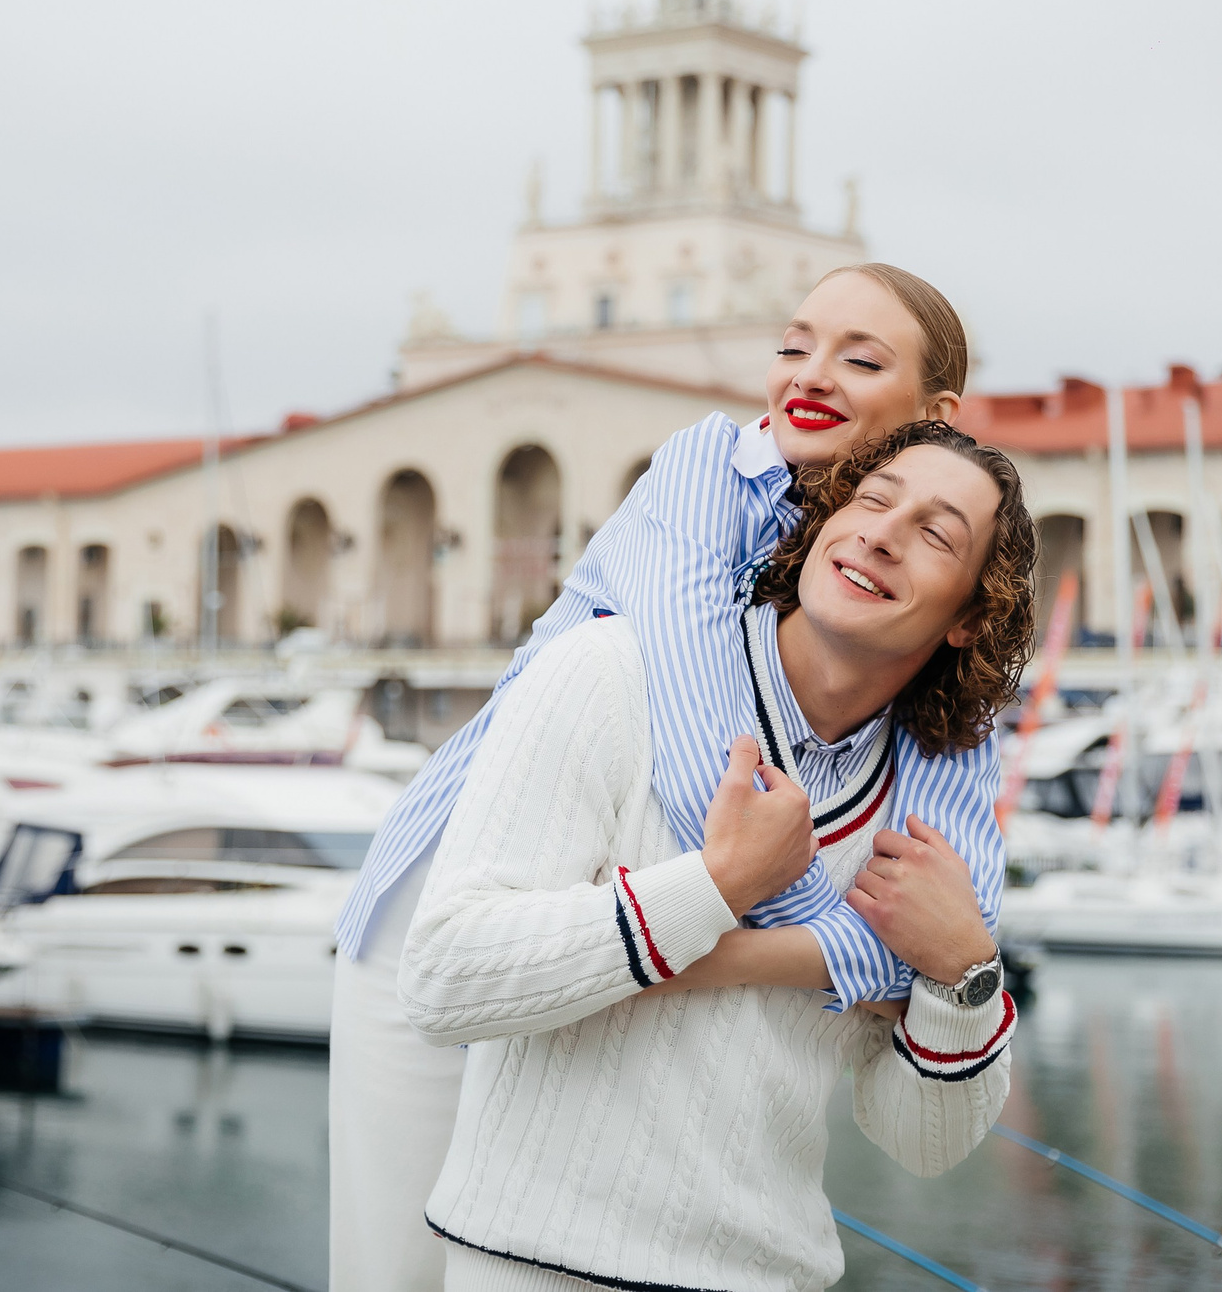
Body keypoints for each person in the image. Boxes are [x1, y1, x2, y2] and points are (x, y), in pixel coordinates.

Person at [327, 265, 1005, 1290]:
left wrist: (925, 966)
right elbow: (707, 756)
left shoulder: (941, 598)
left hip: (644, 921)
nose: (811, 375)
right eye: (793, 345)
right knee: (392, 1274)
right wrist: (856, 949)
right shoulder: (702, 471)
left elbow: (968, 898)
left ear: (938, 416)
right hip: (449, 896)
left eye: (861, 360)